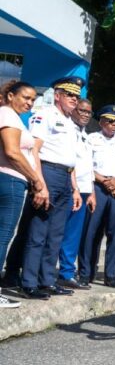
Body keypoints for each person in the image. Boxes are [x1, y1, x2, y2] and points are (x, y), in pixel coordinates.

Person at [22, 77, 84, 300]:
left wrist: (75, 189)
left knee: (56, 234)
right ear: (57, 95)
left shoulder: (71, 123)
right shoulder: (45, 114)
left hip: (65, 177)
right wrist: (40, 184)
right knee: (38, 231)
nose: (74, 100)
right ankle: (28, 282)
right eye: (70, 95)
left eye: (77, 96)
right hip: (47, 173)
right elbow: (34, 150)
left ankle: (47, 280)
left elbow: (71, 161)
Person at [79, 105, 115, 288]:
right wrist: (105, 181)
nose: (113, 125)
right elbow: (86, 164)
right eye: (110, 121)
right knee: (91, 232)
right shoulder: (91, 138)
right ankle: (85, 273)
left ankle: (111, 274)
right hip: (97, 187)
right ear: (102, 121)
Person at [0, 81, 40, 307]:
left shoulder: (10, 116)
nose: (29, 102)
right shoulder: (7, 114)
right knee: (3, 236)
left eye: (33, 99)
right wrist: (35, 179)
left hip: (10, 180)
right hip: (11, 181)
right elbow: (13, 152)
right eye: (25, 97)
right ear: (11, 95)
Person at [57, 98, 97, 290]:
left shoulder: (86, 137)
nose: (85, 114)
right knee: (57, 232)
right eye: (81, 110)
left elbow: (88, 167)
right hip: (69, 188)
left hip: (84, 190)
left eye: (88, 112)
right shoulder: (67, 131)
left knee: (73, 235)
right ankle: (46, 274)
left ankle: (66, 273)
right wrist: (75, 189)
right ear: (73, 110)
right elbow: (69, 163)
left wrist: (91, 193)